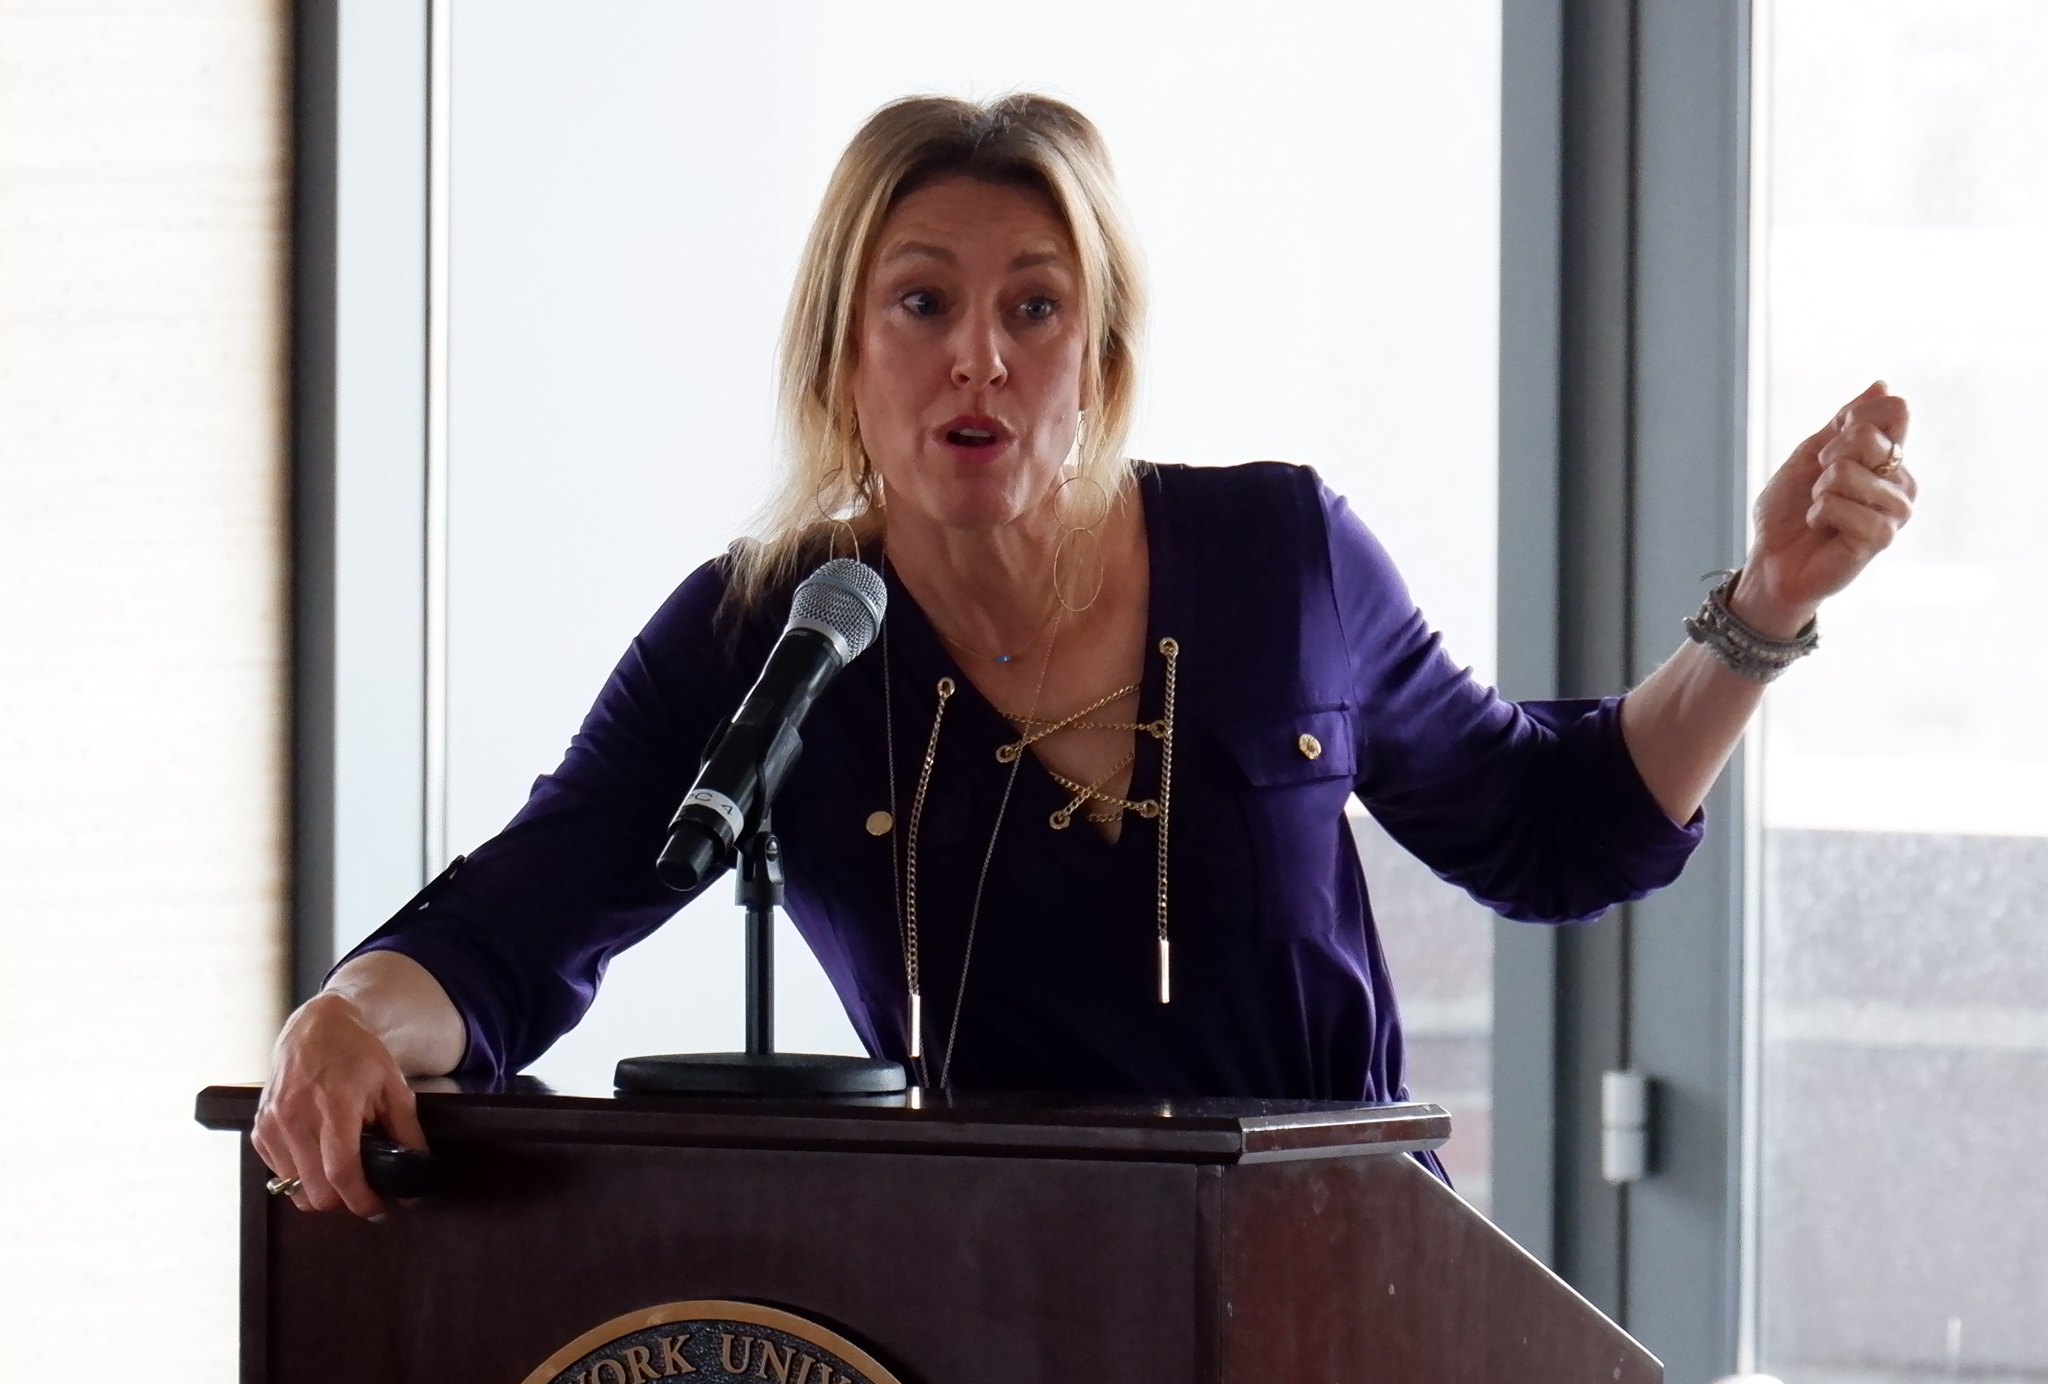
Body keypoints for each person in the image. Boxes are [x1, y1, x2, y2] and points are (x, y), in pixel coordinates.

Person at [254, 93, 1916, 1218]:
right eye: (922, 303)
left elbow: (1552, 827)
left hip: (1346, 1306)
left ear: (1101, 357)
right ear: (842, 355)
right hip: (995, 1341)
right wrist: (344, 1014)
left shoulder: (1284, 556)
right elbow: (526, 913)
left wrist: (1764, 605)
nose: (979, 353)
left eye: (1035, 306)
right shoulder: (770, 629)